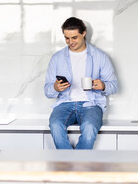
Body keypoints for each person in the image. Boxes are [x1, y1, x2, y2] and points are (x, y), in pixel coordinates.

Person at [44, 17, 118, 149]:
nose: (70, 42)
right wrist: (55, 87)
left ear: (83, 33)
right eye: (67, 38)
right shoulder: (57, 58)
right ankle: (71, 164)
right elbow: (48, 91)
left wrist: (103, 86)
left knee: (89, 127)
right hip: (64, 104)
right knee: (55, 125)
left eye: (74, 37)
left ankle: (74, 164)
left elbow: (114, 86)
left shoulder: (99, 56)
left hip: (91, 104)